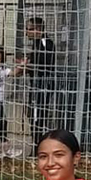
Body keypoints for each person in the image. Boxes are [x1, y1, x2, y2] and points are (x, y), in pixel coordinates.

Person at [14, 16, 58, 147]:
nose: (26, 32)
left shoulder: (46, 43)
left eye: (29, 29)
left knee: (38, 115)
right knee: (33, 114)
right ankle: (36, 143)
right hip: (36, 85)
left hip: (43, 85)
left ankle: (39, 145)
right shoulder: (37, 44)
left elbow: (44, 65)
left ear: (38, 29)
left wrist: (27, 65)